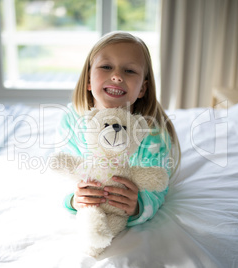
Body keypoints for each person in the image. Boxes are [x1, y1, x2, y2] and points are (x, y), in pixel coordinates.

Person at [56, 31, 181, 227]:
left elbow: (157, 184)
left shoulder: (152, 132)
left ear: (142, 89)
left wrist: (138, 205)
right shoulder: (72, 120)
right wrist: (74, 199)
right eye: (106, 67)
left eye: (129, 71)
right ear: (89, 79)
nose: (116, 76)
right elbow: (65, 171)